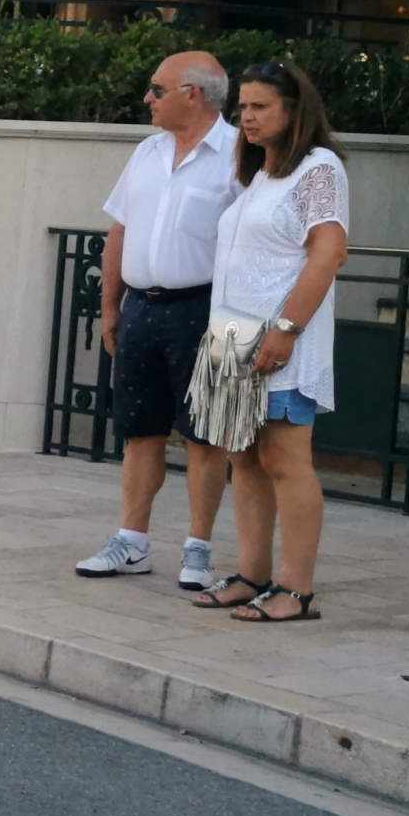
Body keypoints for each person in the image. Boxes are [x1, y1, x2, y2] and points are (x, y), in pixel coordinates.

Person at [190, 62, 350, 624]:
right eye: (243, 106)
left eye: (260, 107)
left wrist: (286, 330)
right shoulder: (264, 171)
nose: (246, 117)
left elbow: (328, 252)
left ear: (293, 111)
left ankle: (296, 589)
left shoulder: (318, 168)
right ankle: (253, 575)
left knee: (284, 459)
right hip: (232, 332)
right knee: (243, 456)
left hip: (278, 337)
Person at [74, 51, 240, 585]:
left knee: (208, 433)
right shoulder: (147, 152)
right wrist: (110, 305)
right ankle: (132, 540)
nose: (148, 98)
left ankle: (199, 548)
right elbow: (119, 230)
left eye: (157, 89)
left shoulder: (242, 155)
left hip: (217, 311)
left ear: (193, 93)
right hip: (144, 306)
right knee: (139, 428)